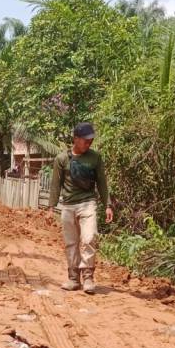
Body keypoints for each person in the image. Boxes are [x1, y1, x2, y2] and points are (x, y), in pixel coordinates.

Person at [49, 122, 113, 294]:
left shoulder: (95, 158)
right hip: (68, 205)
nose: (89, 144)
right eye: (85, 140)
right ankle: (73, 278)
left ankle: (88, 277)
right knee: (71, 243)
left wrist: (108, 205)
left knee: (89, 238)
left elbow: (102, 183)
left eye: (91, 141)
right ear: (76, 139)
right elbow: (56, 184)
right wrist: (51, 207)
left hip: (88, 203)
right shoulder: (61, 159)